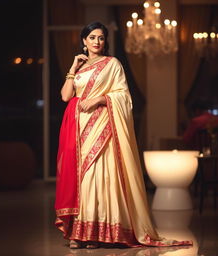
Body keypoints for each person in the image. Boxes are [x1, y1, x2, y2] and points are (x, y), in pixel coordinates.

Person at [55, 21, 192, 249]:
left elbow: (123, 95)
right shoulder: (78, 67)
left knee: (101, 177)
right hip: (79, 129)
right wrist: (72, 67)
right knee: (83, 180)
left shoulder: (112, 64)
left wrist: (100, 99)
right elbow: (65, 96)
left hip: (104, 125)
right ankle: (80, 233)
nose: (97, 42)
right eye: (92, 38)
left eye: (101, 38)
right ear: (84, 41)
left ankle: (99, 233)